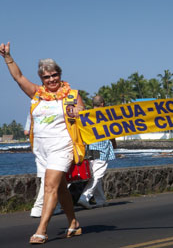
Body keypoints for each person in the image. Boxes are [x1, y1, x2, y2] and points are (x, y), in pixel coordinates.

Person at [0, 42, 84, 244]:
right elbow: (18, 78)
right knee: (60, 188)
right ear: (42, 79)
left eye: (54, 75)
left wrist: (77, 112)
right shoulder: (37, 94)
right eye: (47, 77)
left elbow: (84, 113)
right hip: (41, 149)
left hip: (62, 146)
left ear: (60, 74)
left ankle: (41, 230)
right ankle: (73, 223)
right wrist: (7, 57)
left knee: (49, 187)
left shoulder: (72, 95)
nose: (51, 79)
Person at [77, 95, 117, 208]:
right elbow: (111, 132)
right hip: (102, 148)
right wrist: (114, 144)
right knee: (97, 175)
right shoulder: (106, 116)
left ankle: (101, 200)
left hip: (90, 148)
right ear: (103, 104)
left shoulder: (87, 116)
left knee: (95, 174)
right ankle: (84, 197)